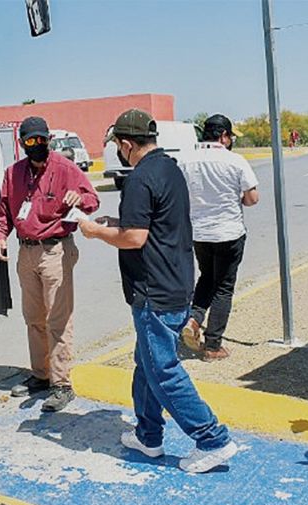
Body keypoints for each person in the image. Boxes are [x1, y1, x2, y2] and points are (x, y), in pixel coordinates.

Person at [79, 109, 238, 473]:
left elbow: (135, 238)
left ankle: (212, 439)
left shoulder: (138, 179)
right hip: (178, 281)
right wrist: (114, 222)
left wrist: (95, 231)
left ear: (125, 144)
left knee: (163, 369)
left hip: (154, 290)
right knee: (146, 363)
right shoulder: (169, 168)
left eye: (118, 146)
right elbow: (155, 223)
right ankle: (149, 435)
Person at [0, 116, 99, 412]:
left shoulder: (65, 168)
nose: (37, 145)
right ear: (22, 143)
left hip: (56, 251)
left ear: (48, 140)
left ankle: (62, 384)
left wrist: (79, 198)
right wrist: (0, 237)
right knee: (33, 318)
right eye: (31, 141)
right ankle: (40, 374)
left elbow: (92, 199)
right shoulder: (13, 174)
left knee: (58, 319)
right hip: (26, 252)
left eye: (42, 140)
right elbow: (3, 212)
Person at [179, 114, 259, 360]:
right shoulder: (234, 160)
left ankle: (194, 319)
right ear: (223, 136)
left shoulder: (185, 160)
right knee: (223, 287)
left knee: (206, 278)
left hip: (199, 233)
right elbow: (252, 198)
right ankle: (213, 346)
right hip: (228, 233)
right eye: (231, 136)